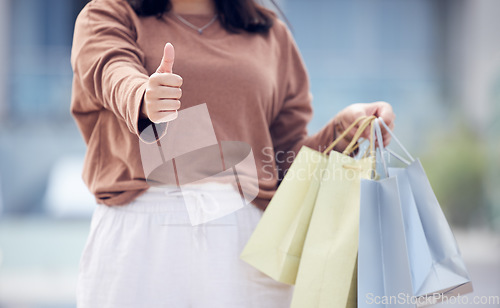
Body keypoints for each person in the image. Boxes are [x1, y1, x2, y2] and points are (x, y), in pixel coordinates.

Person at [70, 0, 396, 307]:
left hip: (246, 239)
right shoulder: (109, 14)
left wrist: (342, 133)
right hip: (142, 233)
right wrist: (143, 98)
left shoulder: (268, 33)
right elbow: (112, 71)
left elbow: (285, 161)